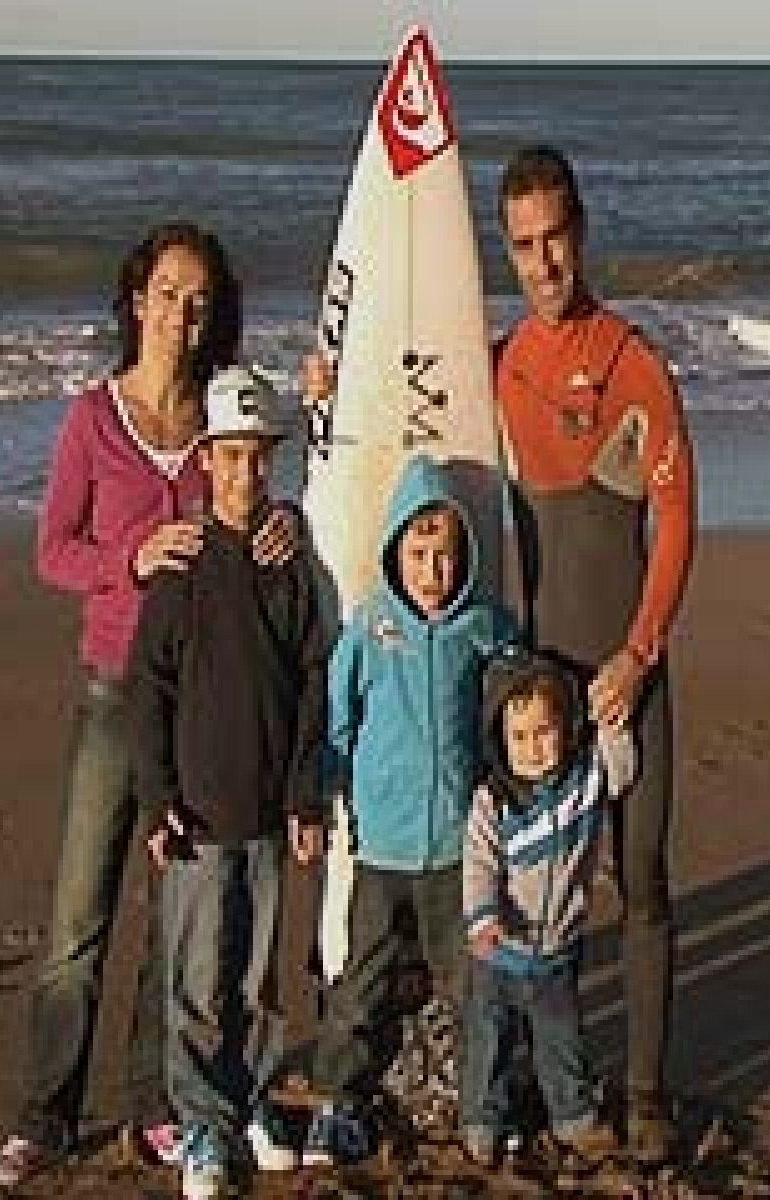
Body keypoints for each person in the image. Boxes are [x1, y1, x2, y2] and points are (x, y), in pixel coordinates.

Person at [0, 223, 298, 1189]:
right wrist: (130, 560)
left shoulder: (223, 420)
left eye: (199, 299)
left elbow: (263, 492)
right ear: (136, 301)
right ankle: (46, 1116)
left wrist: (282, 518)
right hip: (117, 692)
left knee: (179, 923)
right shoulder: (92, 420)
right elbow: (53, 552)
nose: (182, 314)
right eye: (167, 293)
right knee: (81, 915)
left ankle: (161, 1106)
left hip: (206, 708)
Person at [493, 143, 696, 1162]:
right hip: (544, 691)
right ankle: (555, 1073)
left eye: (555, 237)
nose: (543, 261)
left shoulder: (636, 363)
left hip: (627, 676)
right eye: (523, 245)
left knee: (643, 871)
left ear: (582, 229)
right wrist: (322, 385)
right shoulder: (499, 369)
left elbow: (676, 523)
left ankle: (649, 1087)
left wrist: (636, 656)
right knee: (542, 892)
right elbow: (399, 422)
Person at [126, 366, 327, 1200]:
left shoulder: (287, 561)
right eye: (231, 457)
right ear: (206, 459)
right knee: (199, 978)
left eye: (258, 458)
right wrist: (156, 796)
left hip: (271, 811)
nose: (246, 474)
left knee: (257, 977)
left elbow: (314, 676)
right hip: (199, 816)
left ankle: (250, 1102)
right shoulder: (180, 563)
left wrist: (306, 795)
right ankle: (202, 1124)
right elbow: (147, 688)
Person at [301, 455, 518, 1166]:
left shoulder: (480, 627)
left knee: (470, 985)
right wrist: (326, 798)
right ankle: (338, 1101)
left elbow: (515, 685)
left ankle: (488, 1099)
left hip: (456, 851)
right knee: (362, 985)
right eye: (420, 555)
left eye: (447, 557)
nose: (435, 572)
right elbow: (338, 718)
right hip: (382, 849)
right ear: (396, 550)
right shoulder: (370, 629)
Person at [459, 649, 632, 1168]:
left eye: (544, 732)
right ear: (500, 741)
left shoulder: (582, 784)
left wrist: (613, 727)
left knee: (561, 1041)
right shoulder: (494, 801)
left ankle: (573, 1116)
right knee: (488, 1043)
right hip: (498, 953)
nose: (534, 748)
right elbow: (479, 864)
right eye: (520, 737)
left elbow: (619, 771)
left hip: (558, 949)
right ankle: (481, 1122)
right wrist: (482, 917)